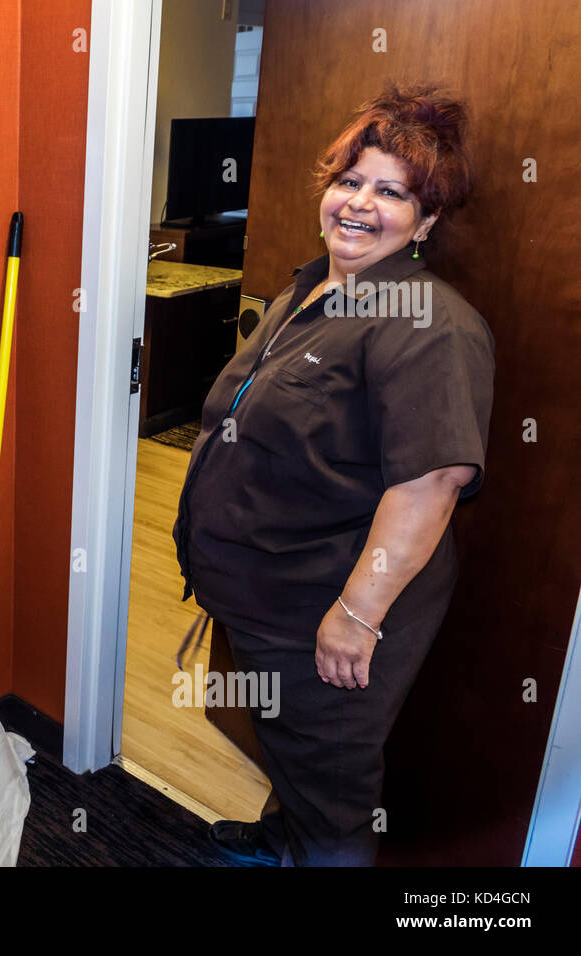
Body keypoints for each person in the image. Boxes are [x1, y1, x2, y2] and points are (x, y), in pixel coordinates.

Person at [172, 84, 495, 866]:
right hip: (265, 593)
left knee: (333, 793)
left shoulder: (431, 325)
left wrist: (357, 614)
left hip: (330, 609)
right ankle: (279, 835)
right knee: (293, 752)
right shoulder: (309, 287)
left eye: (391, 192)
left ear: (428, 220)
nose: (359, 203)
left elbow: (430, 484)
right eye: (349, 180)